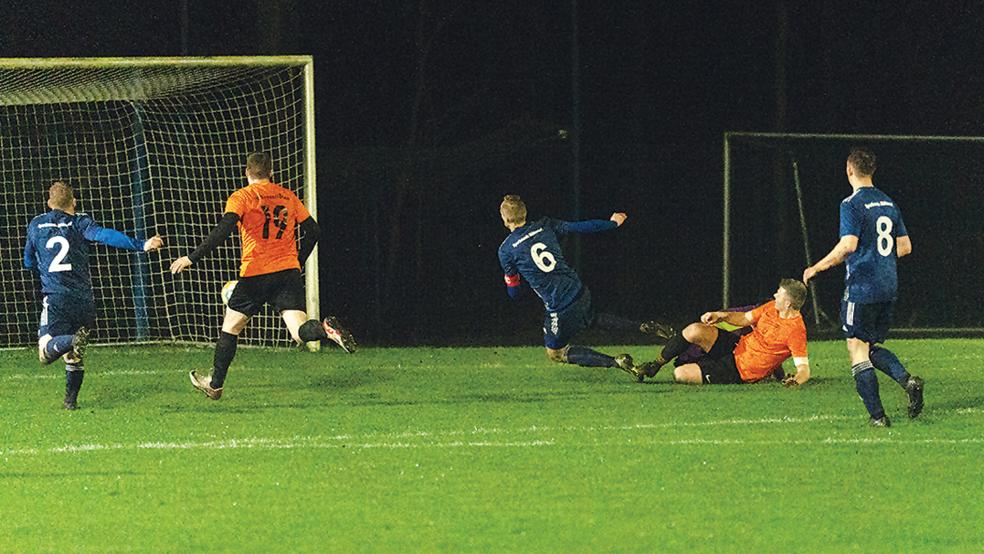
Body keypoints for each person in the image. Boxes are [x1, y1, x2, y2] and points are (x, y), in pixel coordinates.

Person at [170, 152, 356, 400]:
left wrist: (191, 257)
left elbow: (224, 229)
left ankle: (215, 385)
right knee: (298, 331)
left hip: (256, 273)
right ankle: (324, 329)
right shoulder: (288, 196)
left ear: (247, 172)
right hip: (287, 273)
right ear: (272, 172)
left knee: (231, 328)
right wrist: (297, 262)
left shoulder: (242, 196)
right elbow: (313, 231)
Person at [803, 148, 922, 427]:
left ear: (849, 169)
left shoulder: (851, 203)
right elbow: (905, 247)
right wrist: (880, 257)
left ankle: (877, 416)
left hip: (862, 286)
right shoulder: (889, 203)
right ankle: (908, 380)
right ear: (872, 170)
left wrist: (817, 267)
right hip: (888, 284)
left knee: (856, 349)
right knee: (869, 346)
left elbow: (849, 245)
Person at [24, 180, 164, 410]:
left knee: (45, 351)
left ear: (49, 203)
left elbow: (27, 261)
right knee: (74, 356)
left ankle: (71, 341)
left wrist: (39, 262)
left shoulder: (36, 224)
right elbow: (105, 235)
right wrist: (142, 245)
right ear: (74, 201)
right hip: (84, 301)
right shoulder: (80, 222)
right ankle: (70, 402)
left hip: (56, 298)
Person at [497, 194, 672, 374]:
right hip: (579, 291)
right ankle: (643, 326)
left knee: (556, 353)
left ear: (504, 219)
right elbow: (580, 227)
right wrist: (612, 223)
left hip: (559, 306)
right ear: (525, 213)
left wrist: (513, 280)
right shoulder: (545, 224)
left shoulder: (506, 250)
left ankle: (616, 362)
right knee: (591, 318)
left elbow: (514, 293)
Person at [636, 279, 810, 386]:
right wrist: (721, 316)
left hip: (742, 371)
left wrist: (795, 380)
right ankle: (655, 365)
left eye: (779, 294)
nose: (774, 295)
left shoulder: (796, 330)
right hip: (737, 347)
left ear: (788, 303)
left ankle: (698, 359)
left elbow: (803, 368)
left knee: (680, 374)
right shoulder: (771, 307)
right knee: (695, 329)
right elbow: (743, 319)